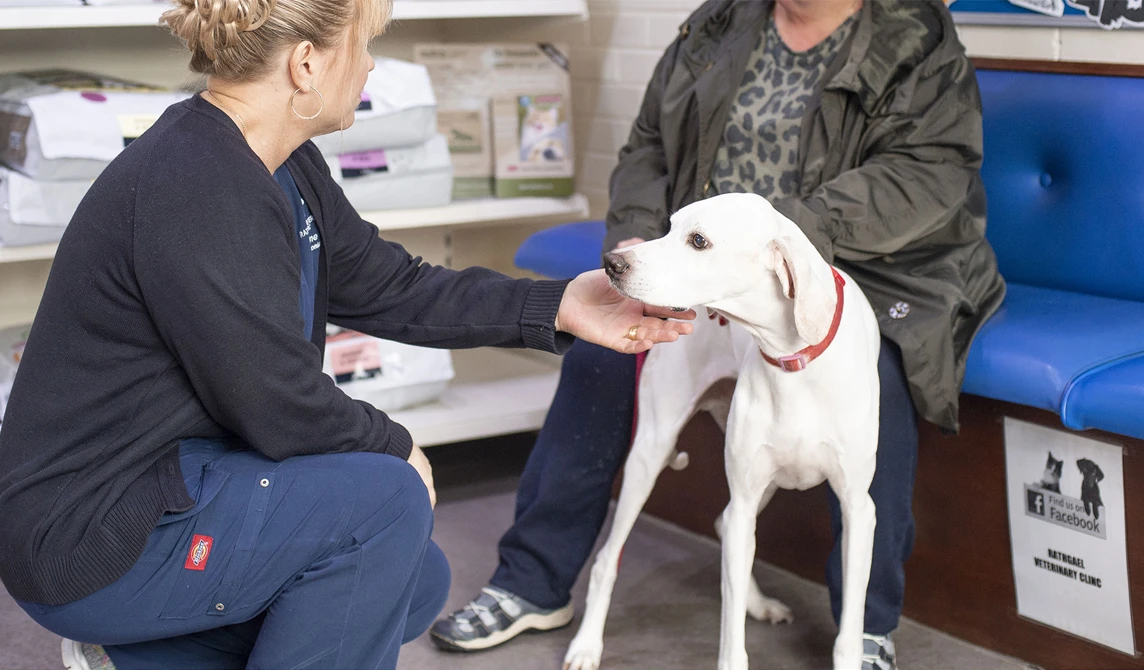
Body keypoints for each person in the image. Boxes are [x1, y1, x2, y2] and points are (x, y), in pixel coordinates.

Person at [0, 1, 696, 668]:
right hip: (93, 530)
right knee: (382, 505)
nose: (368, 67)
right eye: (363, 44)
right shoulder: (194, 180)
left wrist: (558, 305)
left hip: (179, 476)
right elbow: (273, 397)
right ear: (306, 64)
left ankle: (133, 659)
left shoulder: (283, 163)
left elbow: (388, 282)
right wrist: (397, 451)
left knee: (412, 579)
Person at [430, 1, 1006, 668]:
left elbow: (922, 178)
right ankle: (532, 583)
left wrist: (776, 235)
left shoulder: (917, 39)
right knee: (605, 357)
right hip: (709, 264)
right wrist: (641, 239)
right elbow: (648, 145)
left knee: (879, 368)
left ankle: (867, 627)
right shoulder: (719, 22)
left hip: (878, 272)